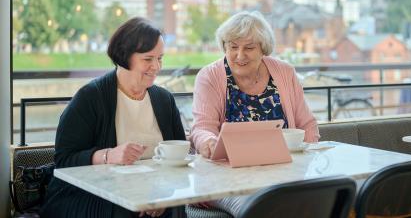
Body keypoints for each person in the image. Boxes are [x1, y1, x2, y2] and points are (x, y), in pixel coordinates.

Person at [40, 17, 186, 218]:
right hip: (90, 194)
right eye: (148, 59)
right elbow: (64, 160)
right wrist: (108, 156)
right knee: (125, 211)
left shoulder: (164, 100)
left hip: (150, 193)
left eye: (160, 58)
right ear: (124, 56)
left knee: (175, 209)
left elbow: (178, 157)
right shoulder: (90, 97)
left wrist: (161, 195)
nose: (157, 67)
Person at [189, 11, 320, 216]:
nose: (240, 55)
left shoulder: (284, 72)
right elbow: (202, 127)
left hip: (281, 175)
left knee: (323, 195)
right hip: (224, 180)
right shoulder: (210, 76)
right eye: (233, 47)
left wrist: (304, 162)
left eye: (249, 48)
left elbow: (307, 124)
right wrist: (208, 142)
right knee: (259, 204)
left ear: (263, 49)